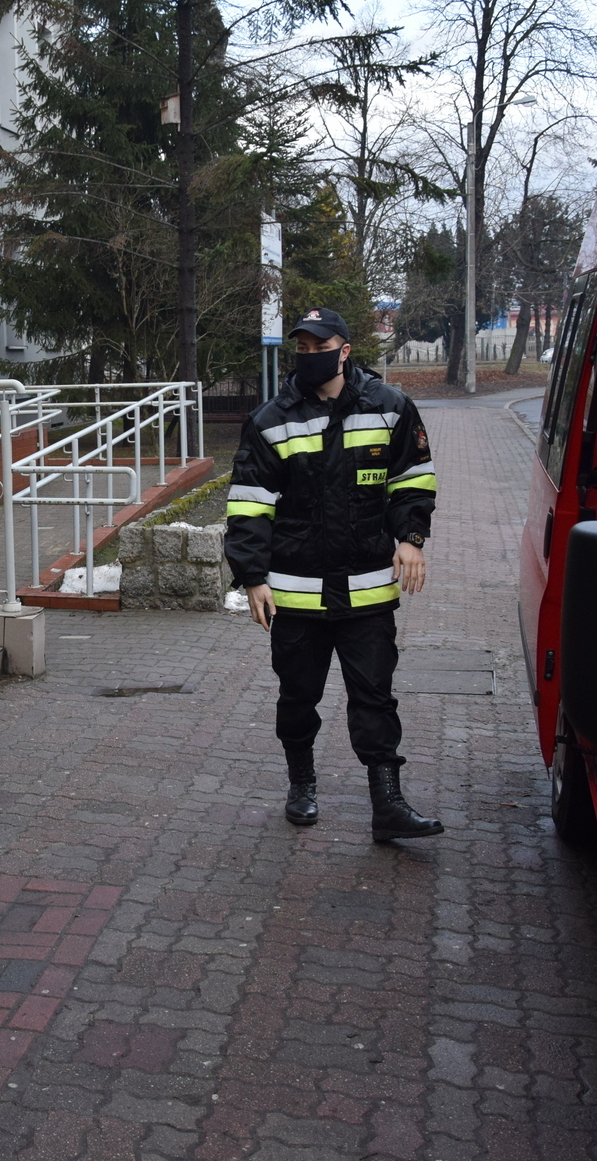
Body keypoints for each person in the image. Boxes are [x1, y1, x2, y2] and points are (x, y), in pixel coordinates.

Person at [223, 307, 444, 842]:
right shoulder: (272, 420)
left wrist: (411, 539)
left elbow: (412, 481)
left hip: (367, 592)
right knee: (298, 698)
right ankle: (302, 784)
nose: (307, 355)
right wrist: (253, 578)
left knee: (375, 697)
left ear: (344, 351)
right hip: (296, 595)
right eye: (300, 346)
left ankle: (388, 804)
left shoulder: (391, 409)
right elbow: (249, 505)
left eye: (318, 346)